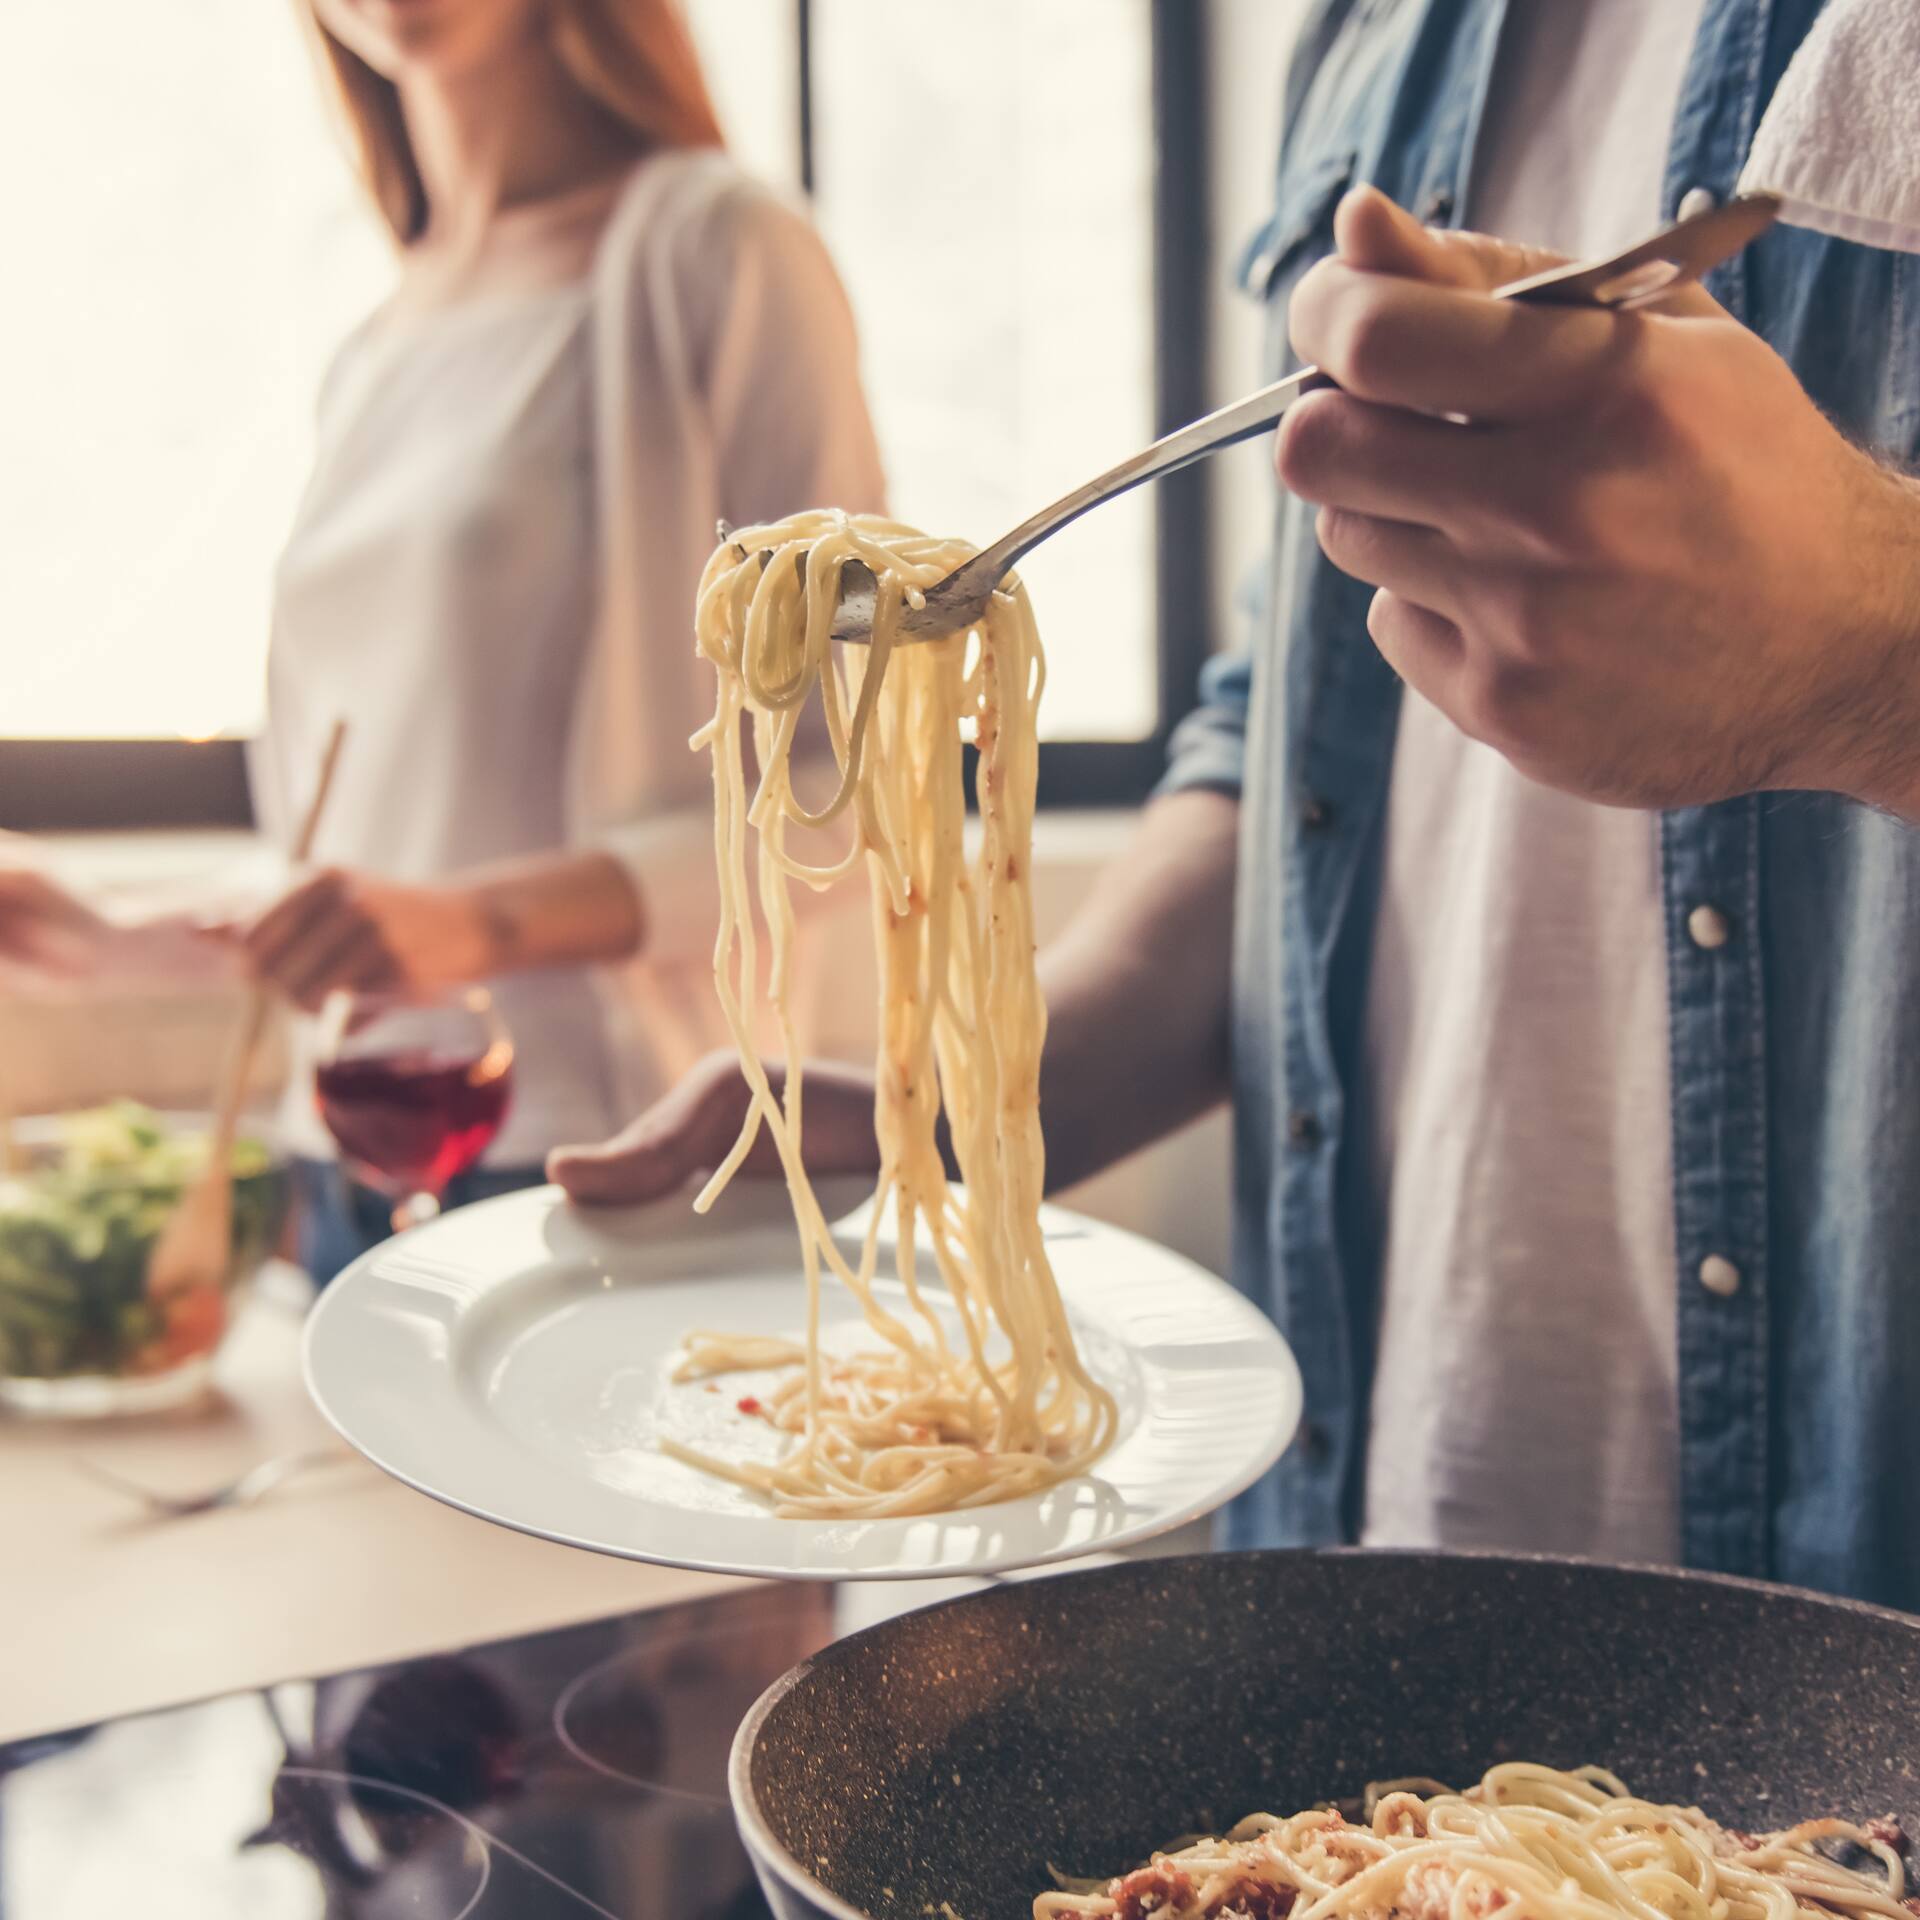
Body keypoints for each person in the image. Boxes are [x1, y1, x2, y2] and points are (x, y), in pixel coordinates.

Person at [552, 0, 1920, 1612]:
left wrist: (1870, 647)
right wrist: (974, 1096)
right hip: (1365, 1537)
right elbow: (1291, 733)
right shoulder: (1376, 29)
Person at [0, 0, 885, 1277]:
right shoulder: (378, 341)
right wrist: (103, 929)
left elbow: (853, 798)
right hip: (354, 1161)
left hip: (609, 1165)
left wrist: (476, 927)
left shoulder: (725, 251)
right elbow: (380, 856)